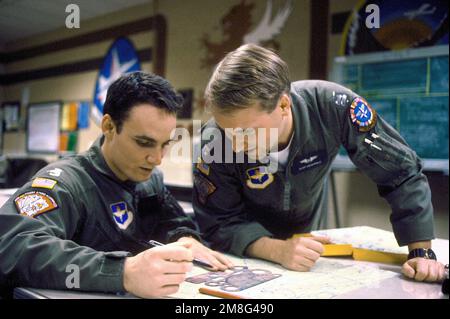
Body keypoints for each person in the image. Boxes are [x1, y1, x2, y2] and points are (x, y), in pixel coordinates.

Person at [193, 44, 446, 282]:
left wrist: (421, 253)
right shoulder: (213, 141)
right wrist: (277, 250)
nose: (236, 146)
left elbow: (401, 173)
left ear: (283, 104)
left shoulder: (333, 108)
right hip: (241, 256)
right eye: (228, 131)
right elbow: (218, 222)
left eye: (248, 131)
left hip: (306, 253)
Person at [0, 71, 233, 299]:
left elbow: (172, 221)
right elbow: (14, 249)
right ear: (109, 127)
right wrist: (122, 272)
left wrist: (185, 239)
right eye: (144, 143)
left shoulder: (150, 180)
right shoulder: (64, 183)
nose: (157, 158)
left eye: (165, 144)